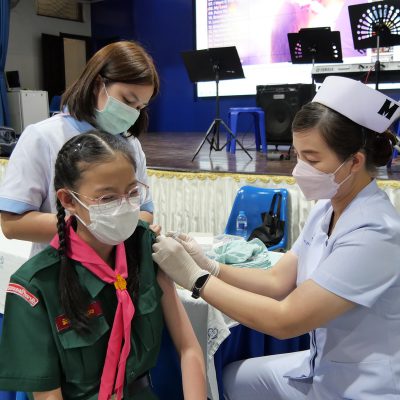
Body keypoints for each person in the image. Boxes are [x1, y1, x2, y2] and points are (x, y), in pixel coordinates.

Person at [152, 76, 400, 399]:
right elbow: (277, 281)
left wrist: (195, 279)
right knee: (230, 378)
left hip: (364, 387)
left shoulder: (376, 232)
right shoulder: (326, 209)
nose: (299, 170)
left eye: (312, 159)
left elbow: (285, 320)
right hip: (321, 368)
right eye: (297, 156)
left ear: (355, 161)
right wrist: (209, 265)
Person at [0, 131, 206, 400]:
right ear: (68, 200)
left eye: (132, 192)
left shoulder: (146, 248)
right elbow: (48, 395)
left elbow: (189, 348)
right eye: (107, 199)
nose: (124, 206)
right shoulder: (36, 284)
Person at [0, 40, 160, 258]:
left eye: (139, 107)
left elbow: (145, 211)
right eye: (127, 100)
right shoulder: (43, 137)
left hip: (118, 268)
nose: (132, 113)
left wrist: (132, 229)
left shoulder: (130, 144)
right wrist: (92, 227)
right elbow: (12, 224)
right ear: (97, 84)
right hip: (60, 268)